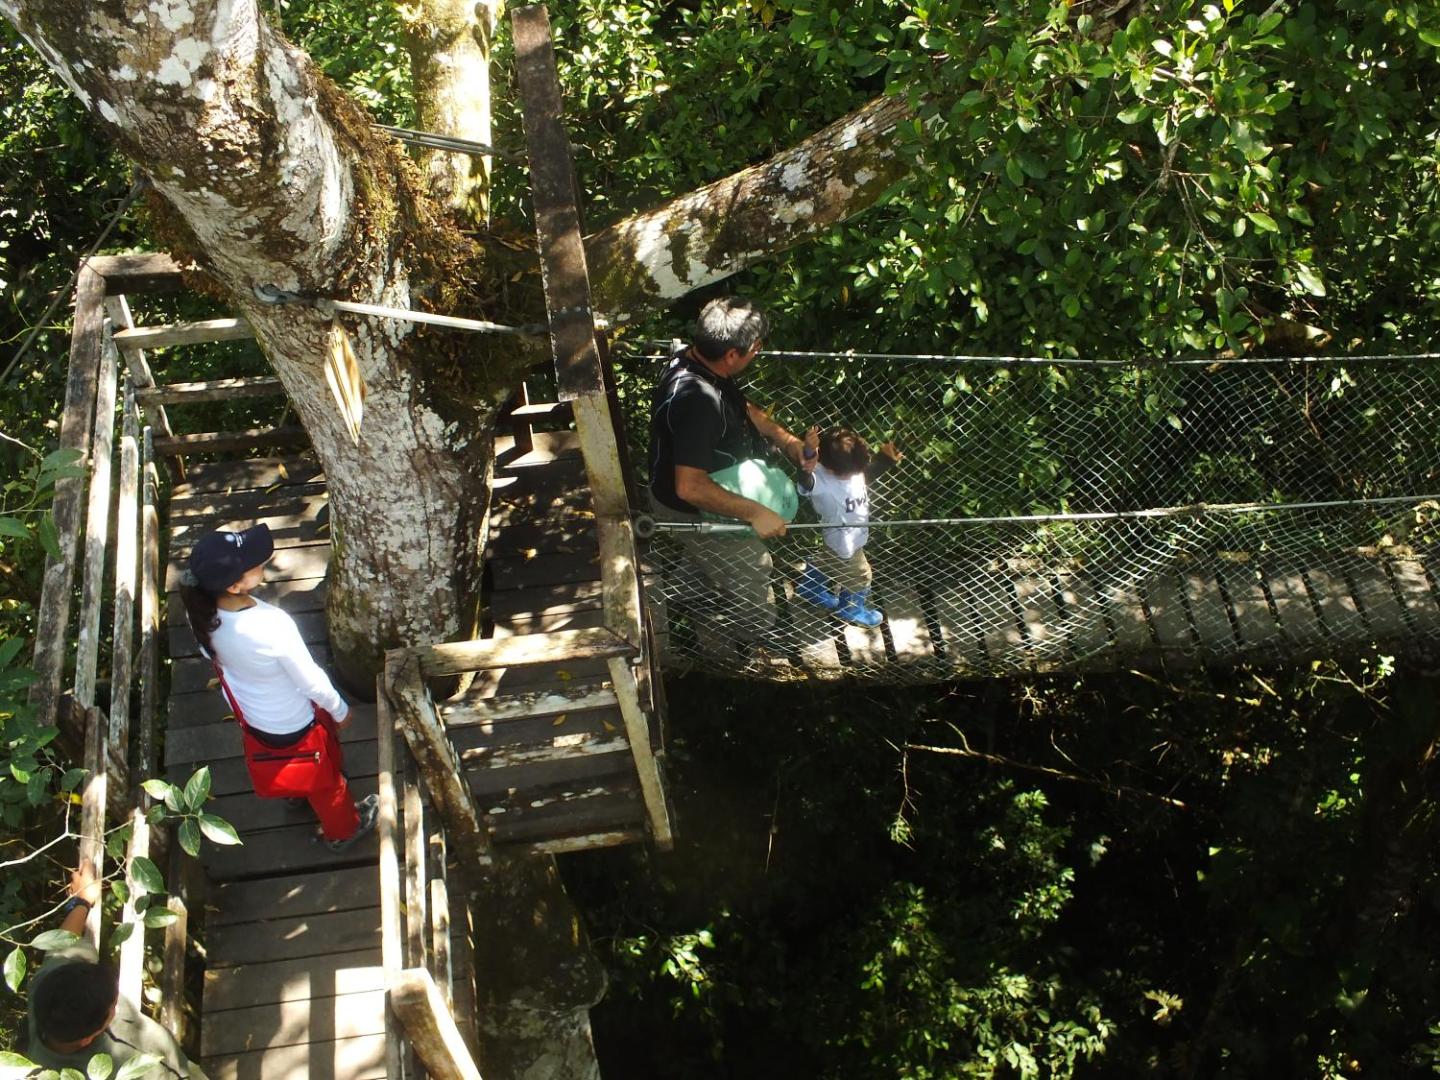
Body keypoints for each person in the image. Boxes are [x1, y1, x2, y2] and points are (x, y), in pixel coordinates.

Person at [179, 524, 377, 852]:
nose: (261, 563)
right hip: (294, 718)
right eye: (252, 564)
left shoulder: (201, 616)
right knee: (326, 784)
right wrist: (339, 709)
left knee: (284, 758)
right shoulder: (271, 625)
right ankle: (344, 830)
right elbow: (309, 679)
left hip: (253, 718)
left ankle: (293, 791)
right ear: (233, 584)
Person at [648, 297, 814, 641]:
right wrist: (756, 512)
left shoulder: (694, 362)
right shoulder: (697, 404)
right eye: (755, 348)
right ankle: (754, 636)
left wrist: (788, 442)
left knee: (708, 553)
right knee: (755, 568)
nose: (758, 351)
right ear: (732, 355)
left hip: (690, 499)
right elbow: (690, 487)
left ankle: (685, 595)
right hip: (689, 507)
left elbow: (743, 408)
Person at [25, 859, 208, 1077]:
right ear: (87, 1039)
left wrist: (82, 901)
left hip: (180, 1067)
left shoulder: (52, 985)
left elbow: (62, 948)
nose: (118, 1007)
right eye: (113, 1008)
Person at [794, 425, 903, 628]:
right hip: (845, 545)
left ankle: (810, 588)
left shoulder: (852, 469)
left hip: (840, 539)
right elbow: (806, 478)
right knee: (861, 576)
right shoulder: (821, 483)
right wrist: (808, 451)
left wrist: (886, 460)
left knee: (825, 561)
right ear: (827, 466)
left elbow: (866, 475)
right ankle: (851, 609)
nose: (856, 474)